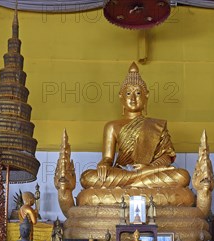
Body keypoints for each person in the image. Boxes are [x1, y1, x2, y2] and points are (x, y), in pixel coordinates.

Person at [79, 62, 190, 190]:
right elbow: (108, 158)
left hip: (149, 172)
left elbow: (167, 156)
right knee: (87, 177)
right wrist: (103, 164)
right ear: (121, 97)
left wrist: (150, 168)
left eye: (137, 93)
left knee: (182, 176)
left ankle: (128, 187)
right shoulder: (112, 126)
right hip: (122, 173)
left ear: (146, 96)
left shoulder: (156, 125)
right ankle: (137, 185)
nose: (132, 98)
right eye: (128, 94)